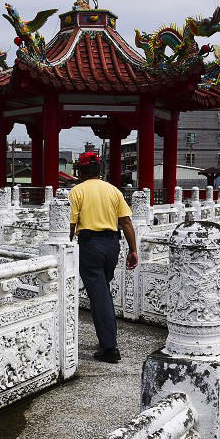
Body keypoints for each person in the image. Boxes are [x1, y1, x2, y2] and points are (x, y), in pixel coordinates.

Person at [68, 151, 138, 363]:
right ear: (99, 171)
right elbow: (126, 221)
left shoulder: (77, 191)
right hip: (112, 246)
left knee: (98, 295)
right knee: (102, 291)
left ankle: (110, 348)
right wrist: (133, 250)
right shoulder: (113, 190)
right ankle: (108, 337)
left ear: (80, 172)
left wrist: (67, 249)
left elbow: (70, 225)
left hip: (90, 245)